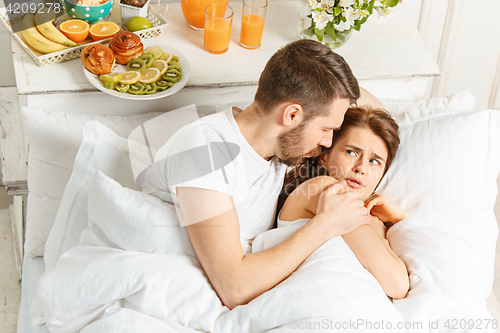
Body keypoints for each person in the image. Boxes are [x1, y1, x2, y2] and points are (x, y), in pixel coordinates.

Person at [143, 39, 374, 310]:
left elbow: (377, 111)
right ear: (291, 115)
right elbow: (235, 287)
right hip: (170, 288)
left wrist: (328, 89)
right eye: (326, 128)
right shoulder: (205, 150)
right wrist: (327, 224)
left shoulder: (279, 145)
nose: (327, 141)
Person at [279, 105, 410, 299]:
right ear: (324, 156)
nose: (361, 168)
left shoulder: (375, 216)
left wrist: (401, 219)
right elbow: (397, 284)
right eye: (351, 152)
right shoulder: (321, 188)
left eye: (374, 161)